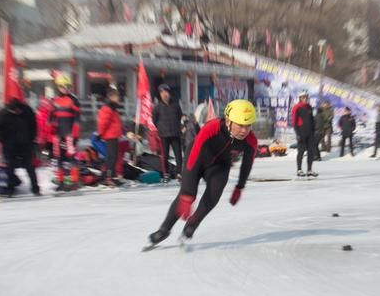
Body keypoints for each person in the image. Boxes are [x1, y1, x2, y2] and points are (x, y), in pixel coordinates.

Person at [147, 99, 259, 246]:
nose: (244, 130)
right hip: (197, 157)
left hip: (219, 166)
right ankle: (164, 230)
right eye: (240, 125)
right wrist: (187, 192)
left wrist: (240, 187)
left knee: (214, 195)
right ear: (228, 121)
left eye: (248, 126)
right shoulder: (212, 127)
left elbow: (247, 165)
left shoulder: (251, 140)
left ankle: (193, 223)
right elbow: (193, 156)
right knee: (187, 196)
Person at [0, 98, 40, 196]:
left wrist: (31, 139)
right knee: (10, 167)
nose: (16, 112)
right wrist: (3, 140)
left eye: (17, 110)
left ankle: (35, 188)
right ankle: (10, 189)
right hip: (10, 145)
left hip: (26, 144)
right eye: (13, 111)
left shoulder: (27, 111)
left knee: (30, 167)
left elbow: (34, 126)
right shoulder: (3, 114)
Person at [50, 72, 81, 191]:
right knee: (58, 158)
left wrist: (75, 135)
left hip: (70, 134)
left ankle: (74, 181)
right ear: (58, 87)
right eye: (63, 86)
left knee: (72, 158)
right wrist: (49, 135)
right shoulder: (54, 100)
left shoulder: (74, 100)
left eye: (68, 86)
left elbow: (77, 120)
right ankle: (61, 182)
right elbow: (51, 119)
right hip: (58, 135)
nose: (65, 89)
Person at [153, 84, 183, 183]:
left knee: (178, 155)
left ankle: (180, 173)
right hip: (164, 135)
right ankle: (166, 174)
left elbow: (179, 115)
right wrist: (160, 128)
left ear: (169, 93)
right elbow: (154, 120)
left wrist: (177, 126)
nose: (164, 94)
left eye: (166, 92)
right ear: (160, 95)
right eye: (162, 93)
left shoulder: (175, 104)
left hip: (175, 133)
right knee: (164, 156)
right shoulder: (157, 107)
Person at [97, 88, 123, 187]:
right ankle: (108, 177)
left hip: (114, 135)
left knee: (114, 156)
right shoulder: (107, 108)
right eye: (117, 97)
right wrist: (100, 133)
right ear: (111, 97)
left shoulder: (113, 108)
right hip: (110, 136)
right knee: (111, 157)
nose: (118, 99)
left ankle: (112, 176)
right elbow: (103, 122)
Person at [291, 91, 318, 177]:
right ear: (300, 98)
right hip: (301, 132)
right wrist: (297, 133)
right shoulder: (297, 107)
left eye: (306, 97)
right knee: (301, 151)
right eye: (303, 97)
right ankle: (299, 169)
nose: (305, 98)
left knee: (311, 152)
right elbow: (294, 122)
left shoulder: (309, 107)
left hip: (310, 133)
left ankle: (309, 169)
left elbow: (311, 120)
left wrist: (314, 131)